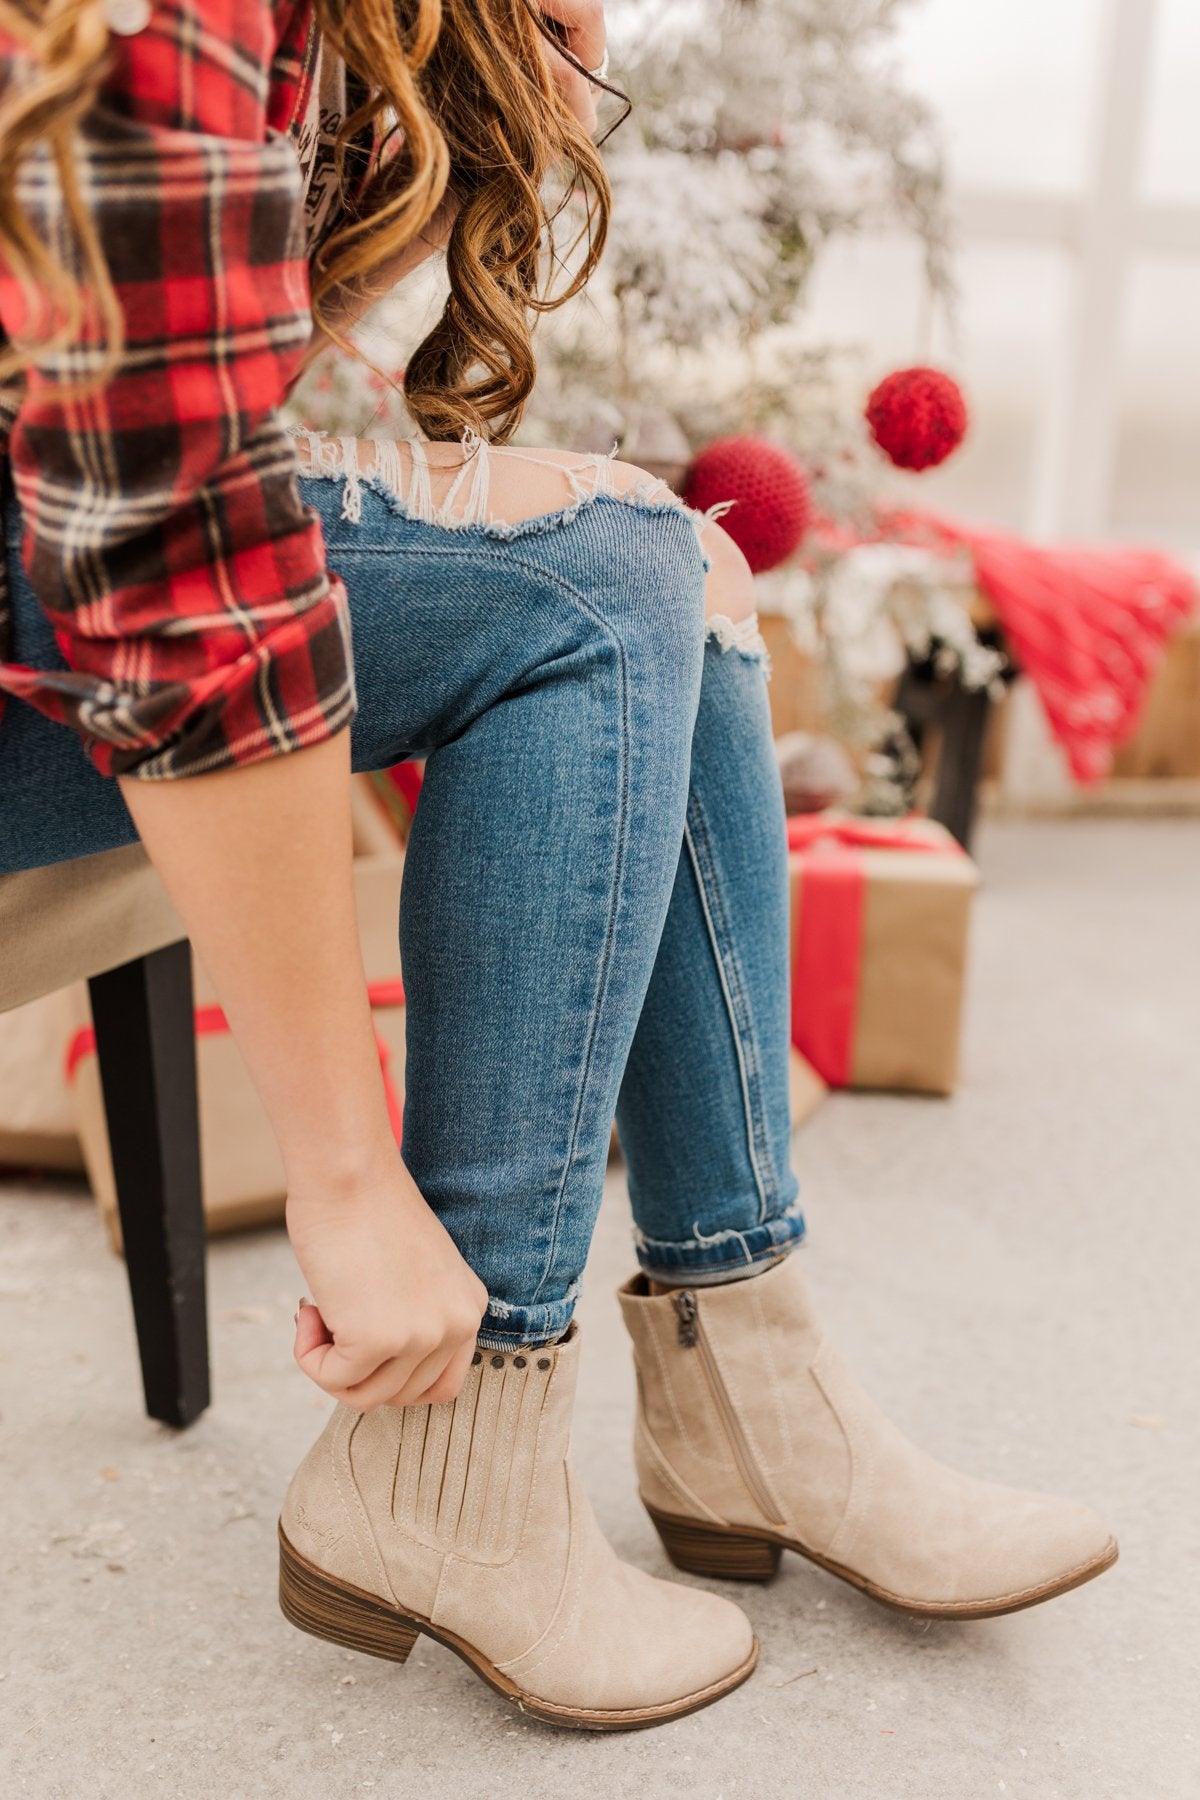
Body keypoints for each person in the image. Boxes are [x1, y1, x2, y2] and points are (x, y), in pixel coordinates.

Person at [0, 0, 1116, 1733]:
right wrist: (351, 1183)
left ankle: (747, 1375)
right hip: (81, 562)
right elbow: (163, 544)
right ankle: (455, 1458)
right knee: (593, 582)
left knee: (674, 562)